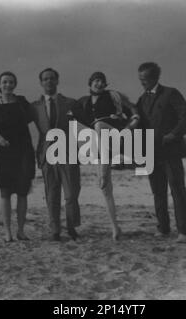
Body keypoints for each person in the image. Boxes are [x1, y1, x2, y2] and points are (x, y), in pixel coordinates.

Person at [69, 71, 140, 241]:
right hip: (100, 146)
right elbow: (72, 116)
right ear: (90, 83)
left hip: (115, 132)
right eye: (96, 80)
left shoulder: (113, 95)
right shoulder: (84, 101)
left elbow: (132, 108)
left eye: (102, 81)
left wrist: (133, 122)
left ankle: (118, 156)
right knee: (105, 189)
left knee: (100, 124)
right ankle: (115, 227)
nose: (99, 84)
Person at [136, 62, 186, 243]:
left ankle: (183, 231)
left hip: (171, 152)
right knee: (158, 192)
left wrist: (174, 134)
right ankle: (163, 228)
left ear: (155, 77)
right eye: (140, 79)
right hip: (151, 153)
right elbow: (137, 125)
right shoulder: (141, 100)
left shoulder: (171, 93)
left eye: (145, 79)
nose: (142, 82)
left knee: (177, 190)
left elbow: (185, 116)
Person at [0, 71, 36, 242]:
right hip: (4, 153)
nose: (8, 85)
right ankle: (7, 232)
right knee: (5, 193)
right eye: (4, 82)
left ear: (15, 84)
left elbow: (32, 117)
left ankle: (21, 231)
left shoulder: (22, 103)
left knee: (23, 193)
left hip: (24, 151)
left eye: (11, 82)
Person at [29, 68, 81, 242]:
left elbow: (87, 119)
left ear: (57, 81)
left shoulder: (70, 103)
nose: (49, 81)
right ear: (41, 83)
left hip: (68, 152)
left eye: (52, 78)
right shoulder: (34, 107)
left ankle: (72, 227)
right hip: (46, 153)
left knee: (71, 193)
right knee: (52, 194)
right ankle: (55, 230)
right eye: (45, 79)